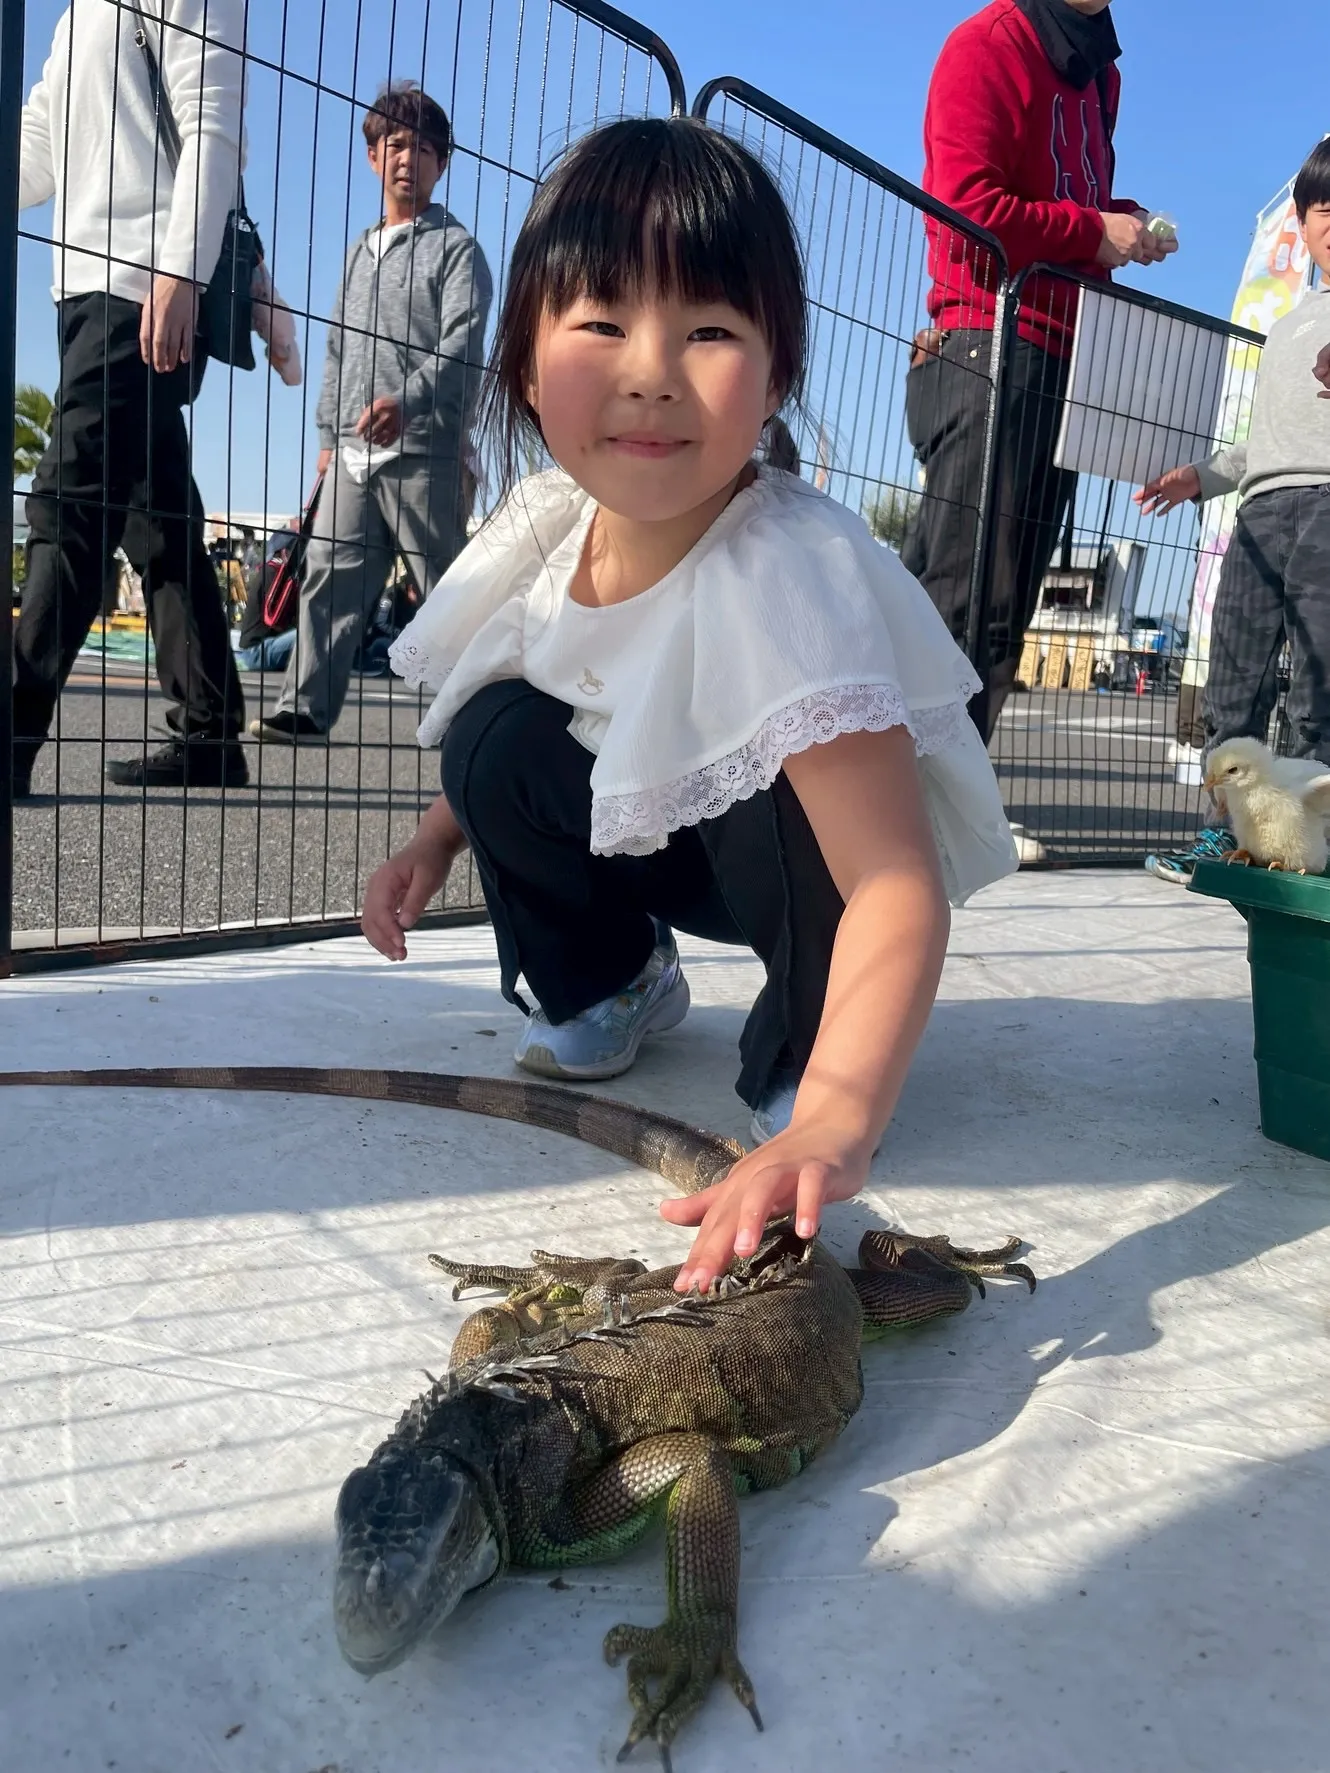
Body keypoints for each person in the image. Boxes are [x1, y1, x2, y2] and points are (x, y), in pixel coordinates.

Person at [360, 118, 1020, 1292]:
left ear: (776, 377)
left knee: (802, 777)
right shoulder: (546, 525)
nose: (651, 369)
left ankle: (813, 1047)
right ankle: (611, 981)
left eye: (708, 328)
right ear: (522, 360)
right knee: (491, 731)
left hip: (793, 867)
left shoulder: (787, 565)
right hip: (651, 826)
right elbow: (508, 699)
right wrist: (431, 838)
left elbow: (891, 877)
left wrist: (836, 1118)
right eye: (602, 321)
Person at [899, 0, 1177, 861]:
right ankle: (899, 815)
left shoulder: (1103, 74)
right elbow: (966, 211)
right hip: (989, 342)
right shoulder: (989, 44)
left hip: (1061, 352)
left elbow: (1060, 200)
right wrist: (1096, 230)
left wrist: (1117, 221)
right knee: (958, 601)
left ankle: (948, 805)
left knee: (1003, 611)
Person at [13, 0, 249, 797]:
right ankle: (212, 732)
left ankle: (11, 728)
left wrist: (182, 270)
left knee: (70, 500)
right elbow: (40, 154)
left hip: (143, 284)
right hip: (80, 288)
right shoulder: (74, 13)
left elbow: (212, 117)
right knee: (161, 523)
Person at [250, 83, 492, 745]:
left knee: (443, 588)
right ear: (371, 157)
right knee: (329, 574)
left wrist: (407, 401)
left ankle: (482, 721)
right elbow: (336, 349)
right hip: (352, 454)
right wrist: (328, 437)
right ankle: (303, 708)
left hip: (427, 451)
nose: (405, 158)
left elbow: (464, 347)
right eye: (392, 144)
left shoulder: (459, 252)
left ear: (443, 161)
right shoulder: (357, 252)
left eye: (420, 146)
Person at [1135, 141, 1330, 884]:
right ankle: (1227, 833)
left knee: (1320, 691)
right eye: (1322, 207)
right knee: (1234, 677)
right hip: (1261, 510)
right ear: (1304, 223)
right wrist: (1204, 475)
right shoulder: (1286, 326)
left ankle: (1316, 846)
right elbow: (1263, 440)